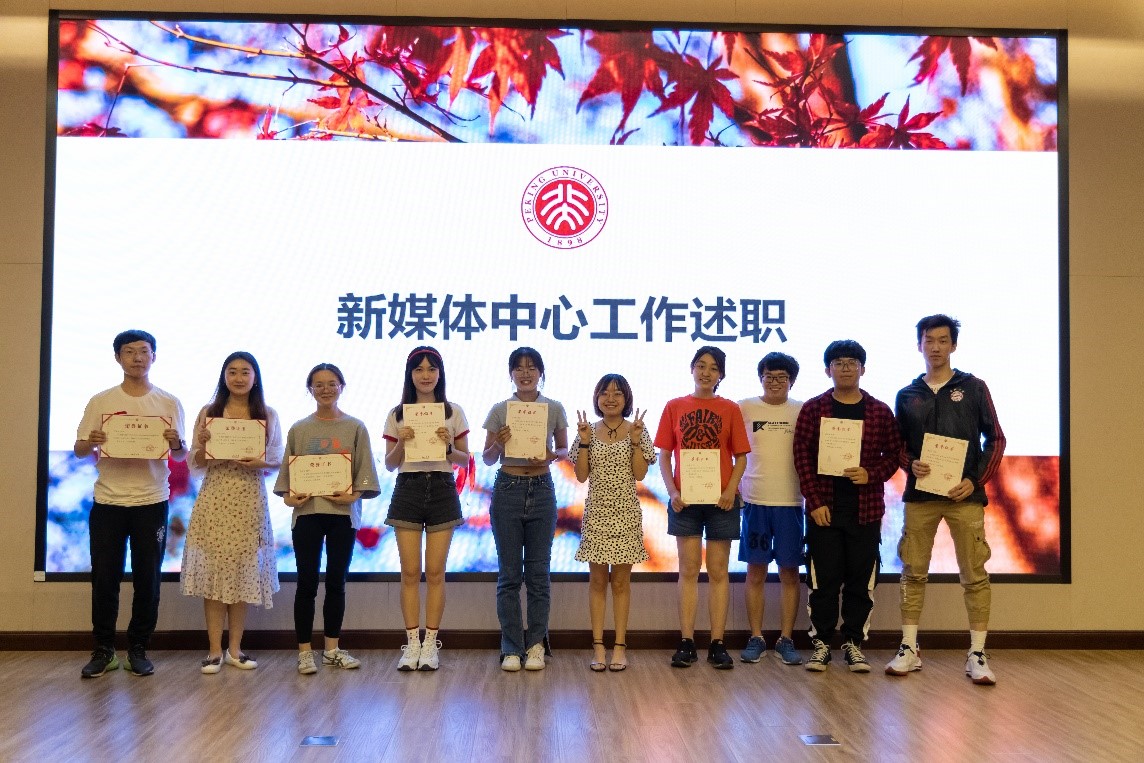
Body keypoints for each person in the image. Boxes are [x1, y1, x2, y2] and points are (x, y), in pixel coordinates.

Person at [886, 315, 1006, 685]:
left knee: (974, 574)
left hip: (963, 497)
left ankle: (977, 653)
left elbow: (996, 439)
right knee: (913, 571)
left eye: (942, 340)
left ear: (953, 345)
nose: (935, 347)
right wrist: (910, 463)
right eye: (929, 340)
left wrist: (974, 480)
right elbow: (897, 445)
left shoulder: (974, 387)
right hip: (920, 497)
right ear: (919, 345)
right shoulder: (907, 394)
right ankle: (909, 647)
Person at [74, 329, 186, 678]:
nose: (137, 357)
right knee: (104, 578)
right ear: (117, 357)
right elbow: (79, 449)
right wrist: (92, 442)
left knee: (148, 579)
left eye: (144, 351)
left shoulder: (169, 402)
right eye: (129, 351)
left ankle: (138, 647)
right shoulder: (101, 401)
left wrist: (175, 442)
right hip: (108, 499)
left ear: (154, 356)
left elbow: (179, 454)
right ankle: (104, 649)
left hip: (151, 501)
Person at [793, 340, 902, 674]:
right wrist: (815, 502)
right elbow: (801, 457)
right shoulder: (813, 409)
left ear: (862, 369)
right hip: (824, 511)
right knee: (822, 581)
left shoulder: (880, 411)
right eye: (838, 363)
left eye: (852, 362)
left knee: (860, 582)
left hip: (865, 511)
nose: (845, 368)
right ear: (828, 369)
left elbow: (894, 456)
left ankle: (854, 643)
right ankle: (822, 644)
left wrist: (871, 473)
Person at [274, 363, 379, 675]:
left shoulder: (356, 427)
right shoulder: (299, 429)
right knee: (306, 583)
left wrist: (352, 495)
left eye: (332, 383)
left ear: (341, 387)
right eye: (318, 384)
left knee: (336, 582)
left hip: (342, 515)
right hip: (307, 514)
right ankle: (305, 653)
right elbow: (287, 482)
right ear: (310, 389)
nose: (325, 389)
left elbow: (364, 474)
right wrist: (290, 498)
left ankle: (332, 650)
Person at [182, 351, 283, 674]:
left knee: (242, 574)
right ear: (224, 377)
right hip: (215, 497)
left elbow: (278, 460)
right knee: (214, 574)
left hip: (249, 499)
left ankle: (235, 650)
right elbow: (196, 462)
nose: (239, 378)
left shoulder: (266, 414)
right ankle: (214, 651)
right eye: (232, 372)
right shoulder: (209, 412)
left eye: (245, 372)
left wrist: (260, 462)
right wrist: (202, 445)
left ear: (255, 377)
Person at [654, 346, 750, 670]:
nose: (706, 372)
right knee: (689, 570)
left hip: (722, 501)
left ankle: (717, 643)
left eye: (713, 368)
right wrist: (672, 491)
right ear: (691, 368)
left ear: (721, 375)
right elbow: (664, 456)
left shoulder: (730, 409)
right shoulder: (674, 406)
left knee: (719, 571)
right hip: (685, 502)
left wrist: (730, 490)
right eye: (700, 365)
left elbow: (741, 458)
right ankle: (687, 642)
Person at [382, 347, 470, 672]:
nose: (425, 375)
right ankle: (412, 643)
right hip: (408, 487)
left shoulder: (453, 411)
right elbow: (390, 464)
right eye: (419, 369)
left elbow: (464, 459)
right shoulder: (397, 414)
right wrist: (401, 443)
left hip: (442, 488)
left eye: (432, 369)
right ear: (410, 375)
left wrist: (448, 446)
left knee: (435, 573)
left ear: (440, 373)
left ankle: (431, 643)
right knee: (409, 572)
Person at [482, 347, 569, 672]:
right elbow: (487, 458)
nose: (525, 373)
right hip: (508, 488)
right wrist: (499, 443)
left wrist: (551, 455)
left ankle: (535, 645)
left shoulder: (554, 407)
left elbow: (564, 450)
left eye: (531, 367)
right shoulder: (500, 410)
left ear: (540, 372)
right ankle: (511, 647)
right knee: (509, 575)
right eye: (519, 368)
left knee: (538, 574)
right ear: (511, 374)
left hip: (542, 489)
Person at [571, 374, 654, 672]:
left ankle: (619, 646)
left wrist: (635, 442)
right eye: (604, 393)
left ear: (626, 398)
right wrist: (584, 442)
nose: (610, 398)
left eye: (617, 393)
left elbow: (640, 474)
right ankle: (598, 646)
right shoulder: (587, 430)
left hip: (626, 513)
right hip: (596, 513)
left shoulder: (637, 429)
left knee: (620, 583)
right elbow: (581, 476)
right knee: (597, 582)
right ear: (597, 398)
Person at [737, 352, 805, 666]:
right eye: (769, 376)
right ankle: (756, 637)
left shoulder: (802, 410)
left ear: (792, 381)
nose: (775, 382)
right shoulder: (745, 407)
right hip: (755, 501)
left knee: (789, 573)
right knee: (755, 572)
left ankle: (786, 639)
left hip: (791, 502)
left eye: (782, 377)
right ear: (760, 378)